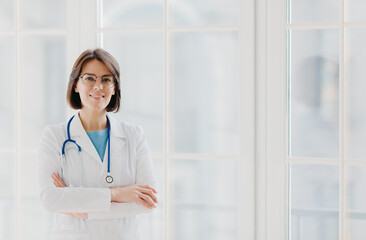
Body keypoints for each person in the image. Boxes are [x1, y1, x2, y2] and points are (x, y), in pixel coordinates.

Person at [38, 48, 158, 240]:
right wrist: (117, 194)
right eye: (89, 78)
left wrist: (86, 211)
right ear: (76, 85)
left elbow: (149, 201)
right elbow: (50, 199)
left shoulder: (134, 136)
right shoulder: (54, 136)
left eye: (106, 79)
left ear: (114, 87)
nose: (98, 86)